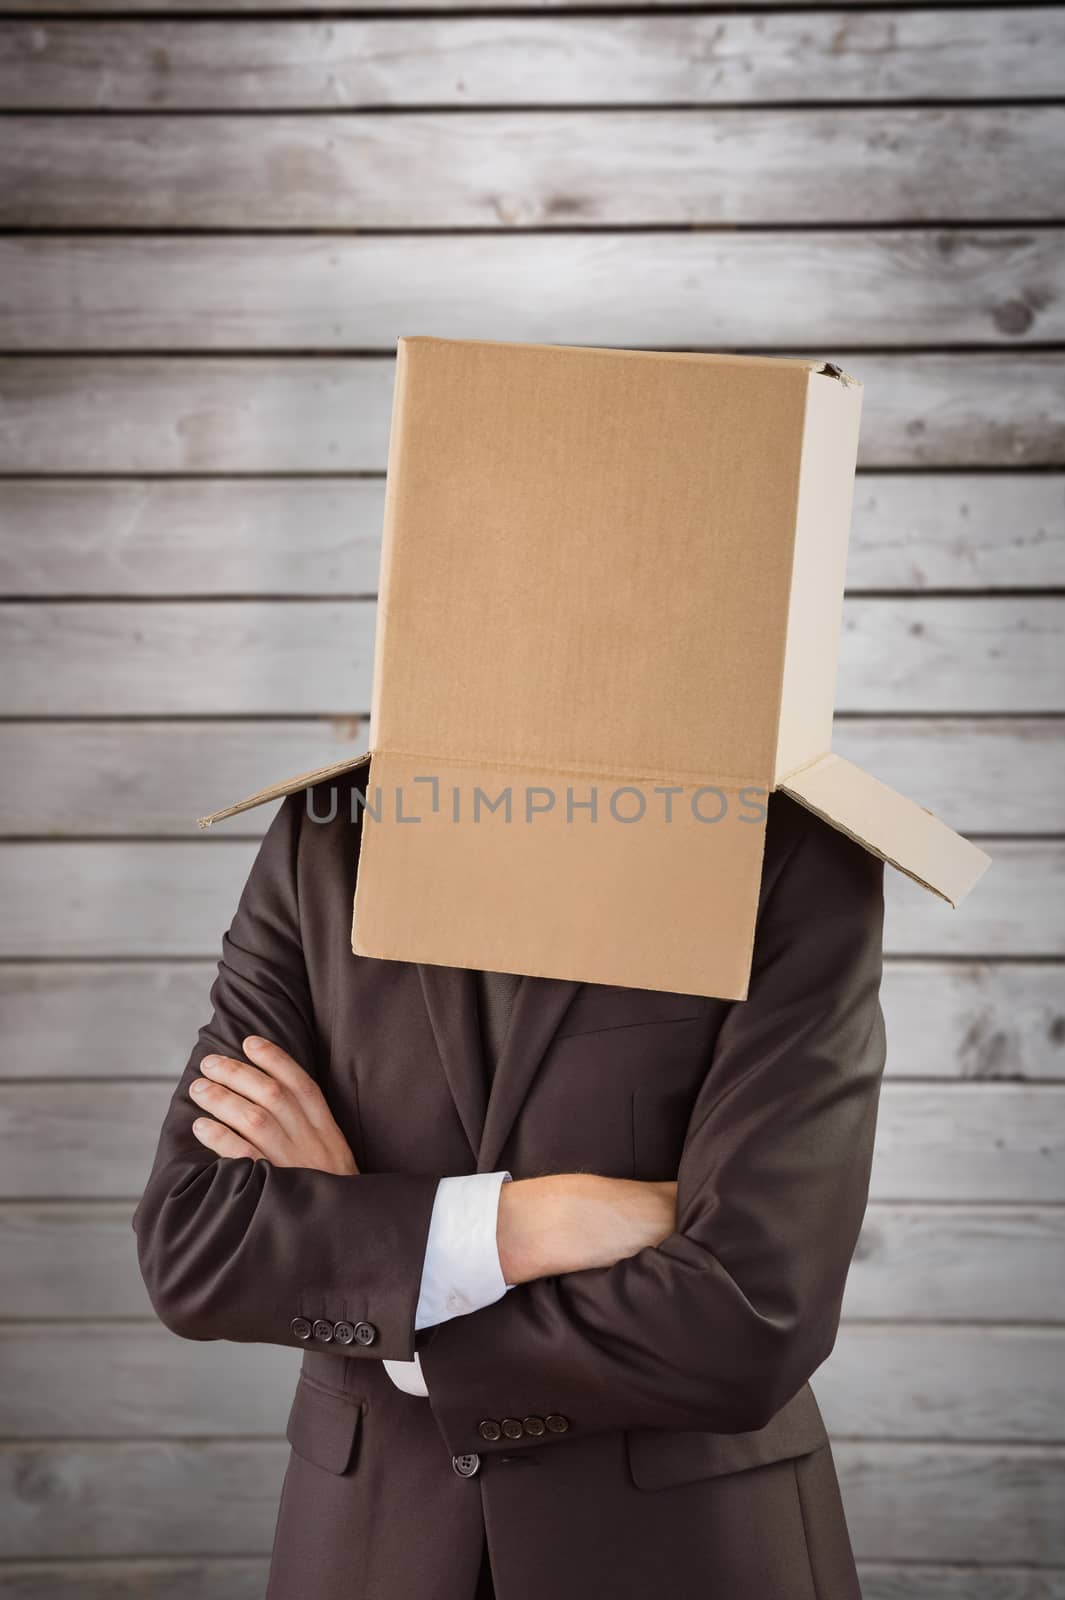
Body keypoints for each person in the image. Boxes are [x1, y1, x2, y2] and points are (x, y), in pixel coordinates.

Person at [133, 762, 886, 1600]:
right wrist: (524, 1224)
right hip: (368, 1545)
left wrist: (380, 1268)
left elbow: (750, 1317)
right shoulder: (330, 833)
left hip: (683, 1550)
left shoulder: (786, 852)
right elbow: (195, 1241)